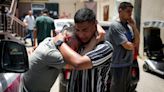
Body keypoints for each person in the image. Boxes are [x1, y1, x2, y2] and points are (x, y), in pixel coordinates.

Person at [57, 8, 113, 92]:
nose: (81, 34)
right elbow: (66, 30)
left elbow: (79, 64)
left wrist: (59, 42)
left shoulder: (105, 48)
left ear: (94, 25)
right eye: (77, 30)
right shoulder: (76, 43)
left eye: (85, 30)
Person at [105, 2, 140, 92]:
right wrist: (133, 45)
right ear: (120, 10)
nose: (130, 13)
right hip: (118, 65)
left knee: (126, 89)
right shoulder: (115, 26)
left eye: (131, 11)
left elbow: (137, 42)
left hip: (128, 63)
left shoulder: (128, 27)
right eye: (128, 11)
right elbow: (128, 46)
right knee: (117, 89)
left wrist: (134, 27)